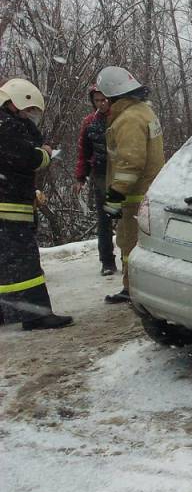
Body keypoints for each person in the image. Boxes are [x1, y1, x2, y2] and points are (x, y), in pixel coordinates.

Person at [0, 78, 74, 330]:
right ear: (15, 103)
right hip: (9, 206)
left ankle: (7, 311)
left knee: (6, 262)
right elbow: (26, 158)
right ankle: (36, 314)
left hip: (8, 202)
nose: (31, 116)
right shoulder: (8, 127)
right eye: (29, 111)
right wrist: (44, 153)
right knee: (24, 262)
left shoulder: (7, 125)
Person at [94, 66, 165, 304]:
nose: (102, 104)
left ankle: (133, 289)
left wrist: (115, 194)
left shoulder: (128, 119)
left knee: (129, 244)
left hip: (134, 197)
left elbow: (131, 161)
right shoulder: (143, 111)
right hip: (148, 193)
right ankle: (137, 288)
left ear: (113, 95)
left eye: (105, 98)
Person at [73, 86, 117, 276]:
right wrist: (80, 177)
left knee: (126, 216)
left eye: (104, 99)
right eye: (97, 100)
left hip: (121, 172)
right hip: (100, 174)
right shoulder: (89, 122)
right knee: (104, 219)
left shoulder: (120, 119)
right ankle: (107, 261)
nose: (101, 103)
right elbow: (84, 152)